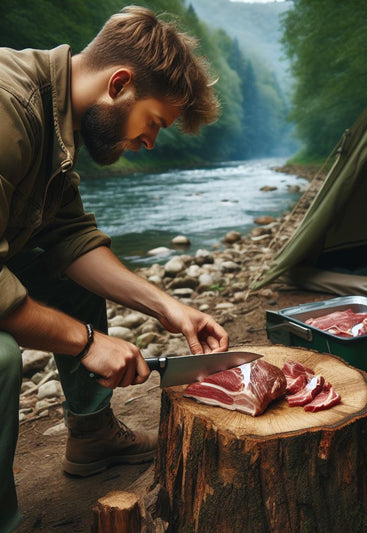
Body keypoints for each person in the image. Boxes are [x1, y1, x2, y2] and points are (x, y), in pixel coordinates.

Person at [0, 6, 229, 531]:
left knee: (61, 274)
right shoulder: (10, 108)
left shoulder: (58, 124)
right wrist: (86, 343)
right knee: (1, 357)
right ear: (119, 84)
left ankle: (92, 435)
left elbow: (71, 241)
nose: (150, 143)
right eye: (154, 124)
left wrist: (169, 308)